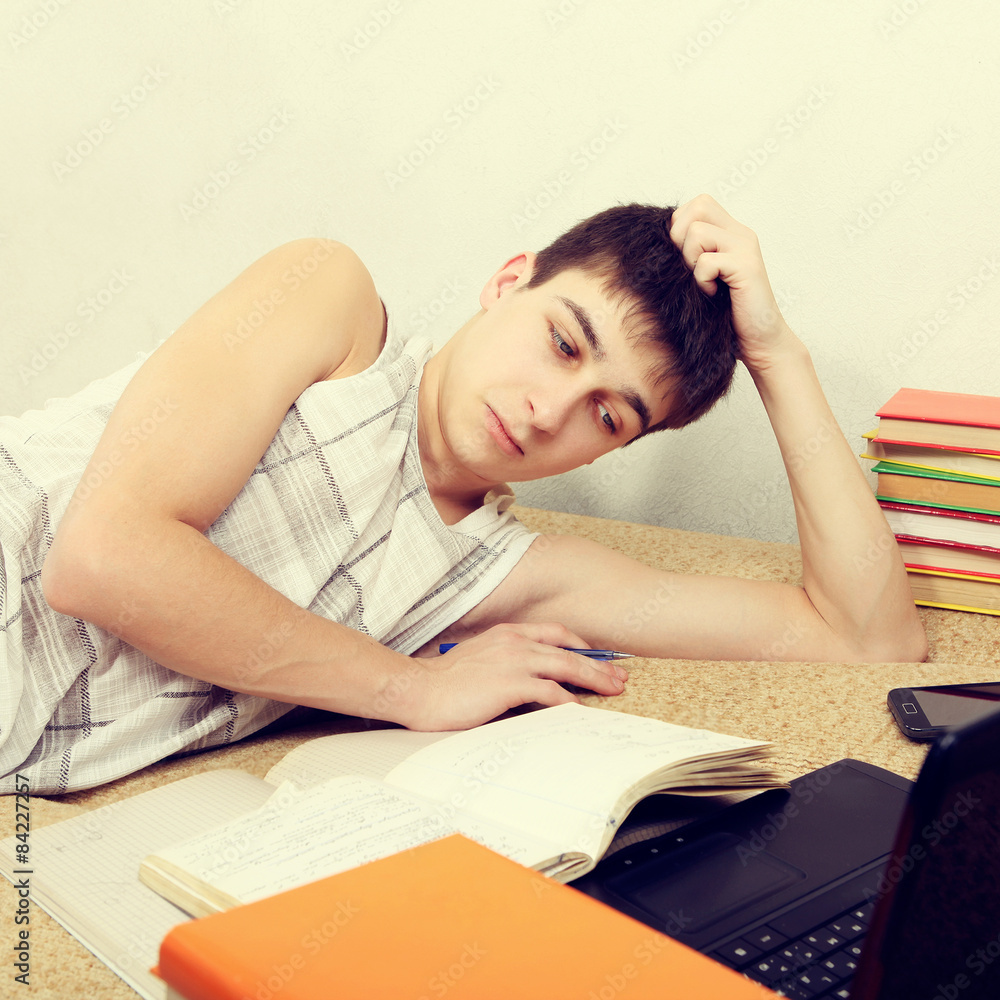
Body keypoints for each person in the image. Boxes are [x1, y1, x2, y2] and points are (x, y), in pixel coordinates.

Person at [0, 195, 926, 794]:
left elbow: (868, 637)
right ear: (508, 281)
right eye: (562, 343)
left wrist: (774, 353)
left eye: (607, 415)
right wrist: (409, 686)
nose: (550, 409)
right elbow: (105, 557)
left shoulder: (508, 573)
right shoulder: (330, 302)